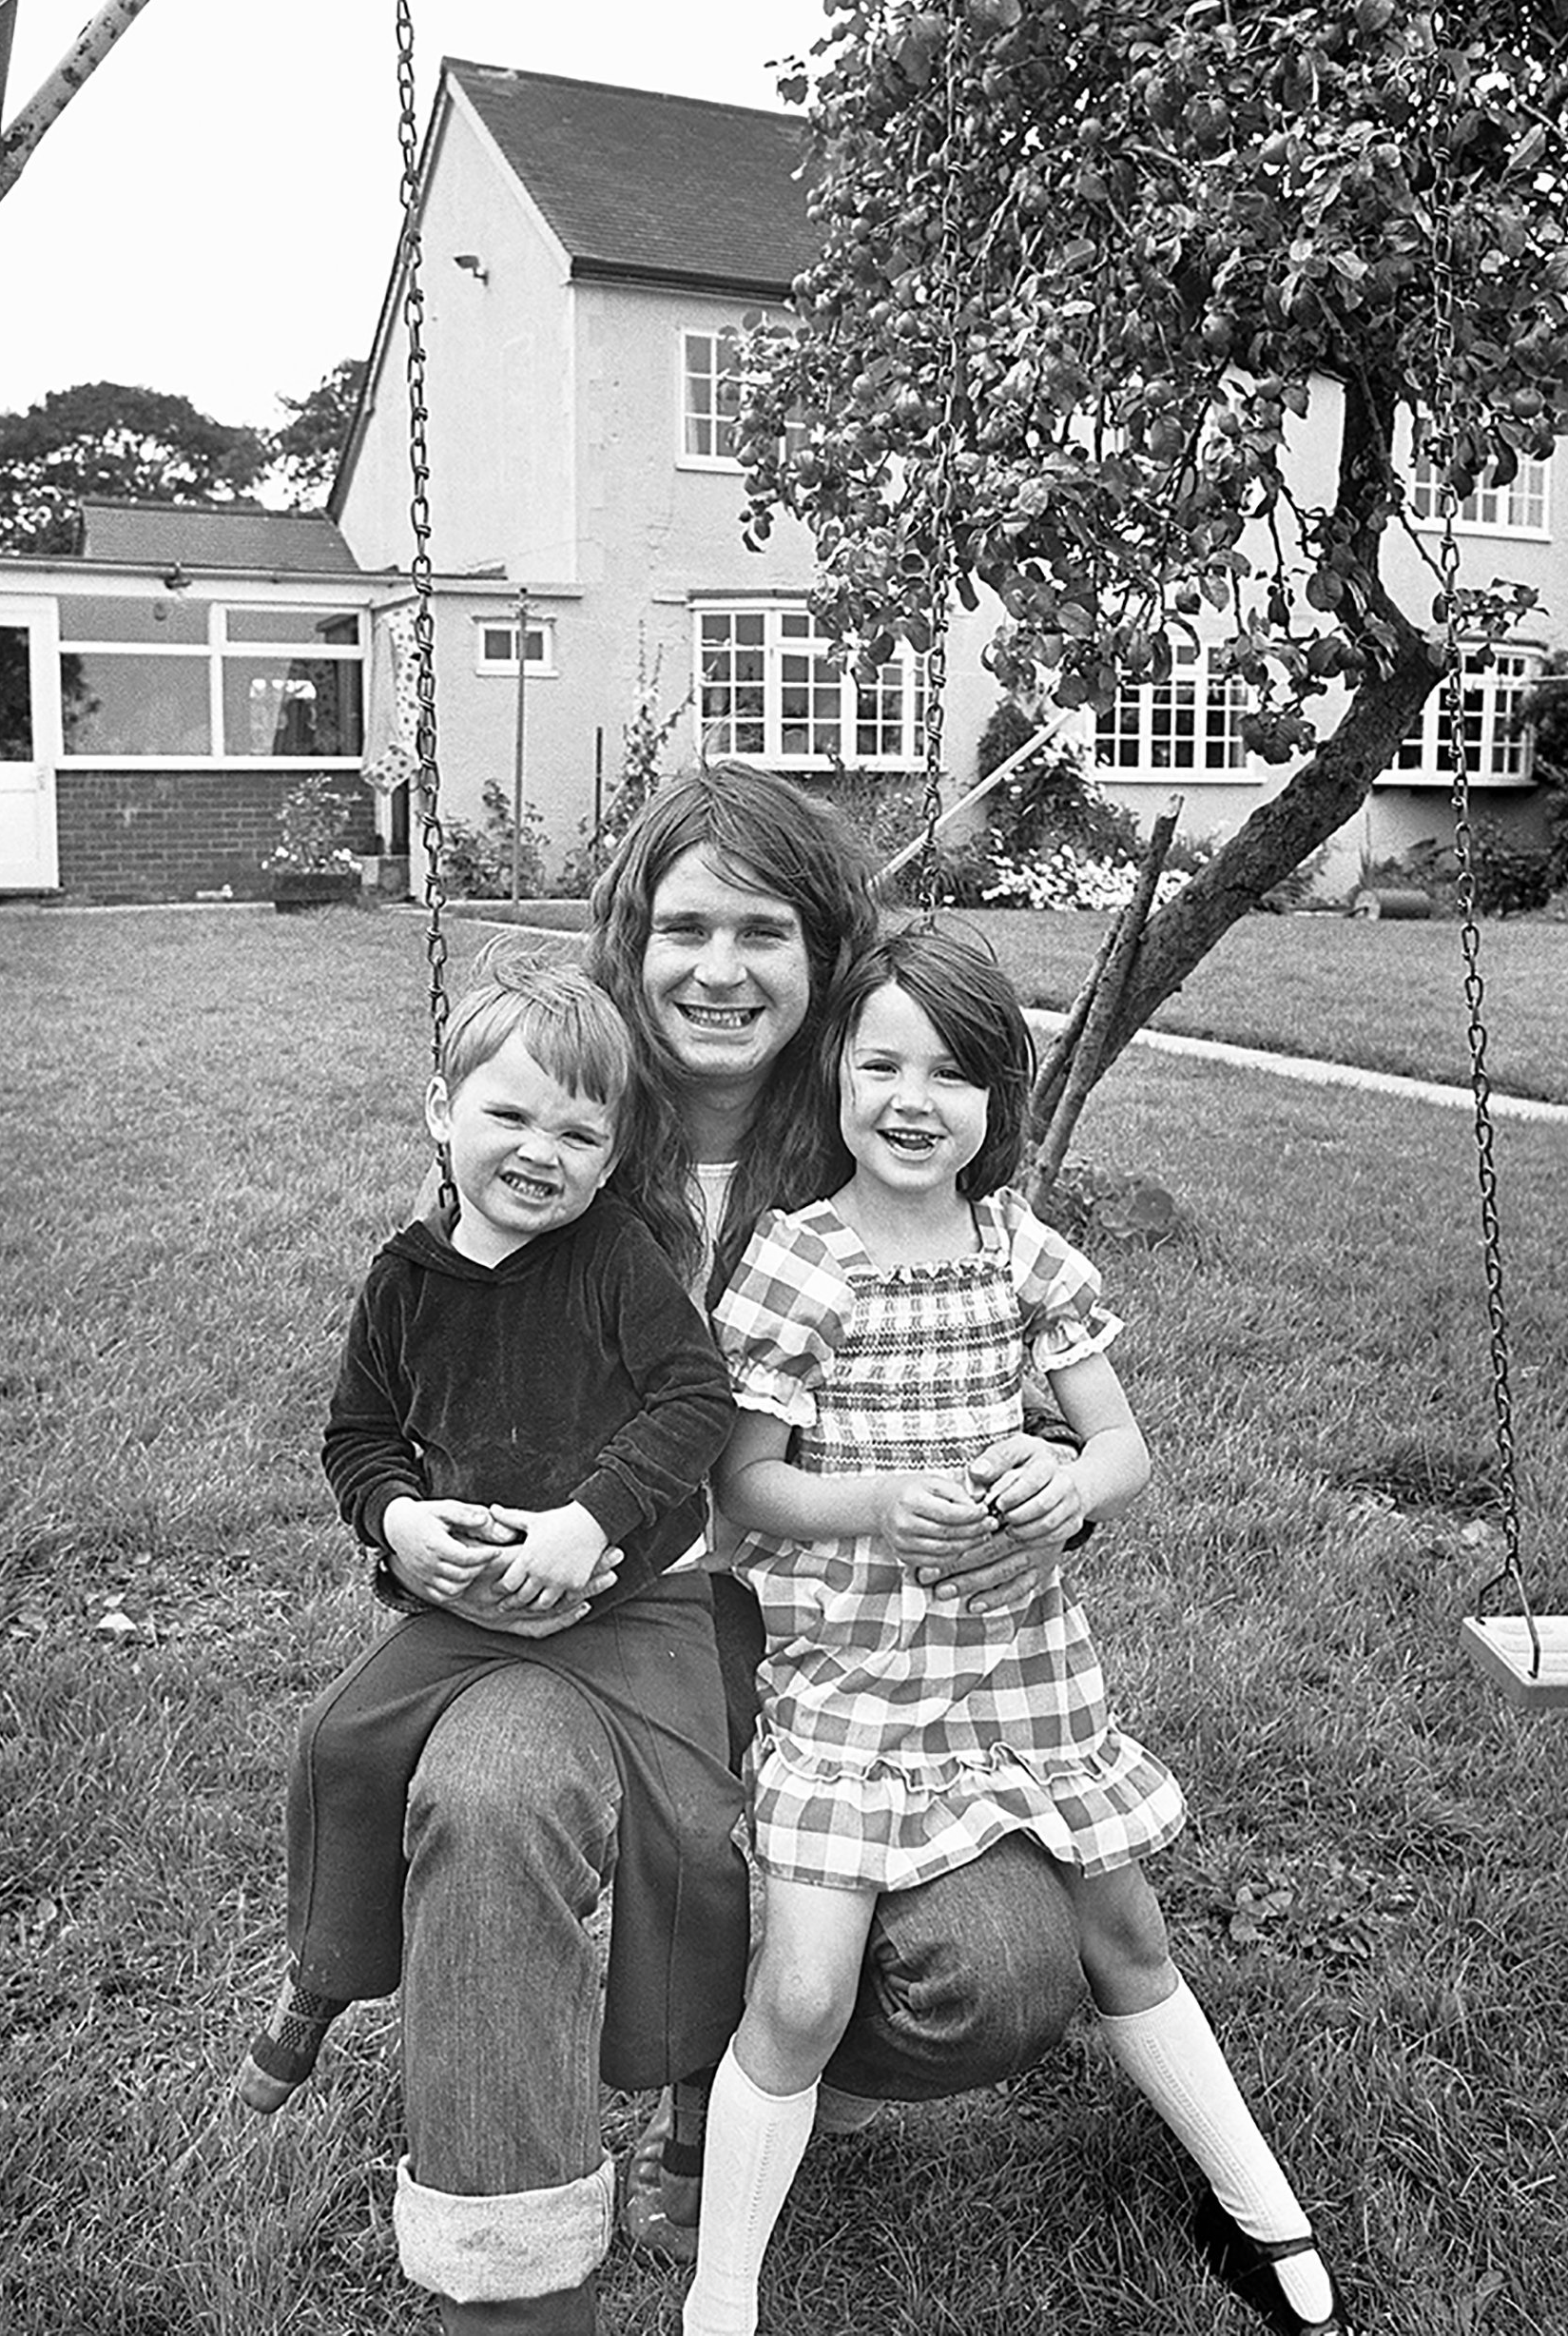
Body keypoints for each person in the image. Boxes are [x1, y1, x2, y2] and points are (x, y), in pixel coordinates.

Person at [382, 766, 1095, 2336]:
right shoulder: (558, 1115)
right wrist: (416, 1516)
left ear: (827, 949)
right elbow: (420, 1372)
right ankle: (512, 2287)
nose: (718, 964)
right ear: (629, 940)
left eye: (762, 928)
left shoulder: (879, 1122)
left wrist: (1051, 1475)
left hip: (842, 1641)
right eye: (683, 922)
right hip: (582, 1621)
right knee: (491, 1795)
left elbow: (1018, 1375)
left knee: (1000, 1964)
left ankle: (750, 2077)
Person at [681, 926, 1352, 2336]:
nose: (914, 1099)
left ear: (1004, 1098)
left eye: (956, 1071)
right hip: (855, 1671)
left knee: (1126, 1930)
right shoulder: (801, 1259)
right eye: (882, 1062)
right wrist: (875, 1499)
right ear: (837, 1073)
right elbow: (742, 1484)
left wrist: (1062, 1484)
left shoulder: (1021, 1251)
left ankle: (1265, 2220)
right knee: (800, 1990)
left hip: (1021, 1660)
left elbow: (1123, 1448)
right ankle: (721, 2295)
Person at [236, 954, 744, 2127]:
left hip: (631, 1596)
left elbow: (694, 1403)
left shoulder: (615, 1259)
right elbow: (358, 1438)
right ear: (439, 1111)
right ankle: (322, 1975)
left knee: (696, 1833)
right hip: (467, 1599)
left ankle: (685, 2088)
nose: (537, 1151)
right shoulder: (402, 1283)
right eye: (506, 1113)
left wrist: (589, 1518)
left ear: (612, 1156)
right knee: (339, 1740)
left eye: (576, 1132)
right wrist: (405, 1523)